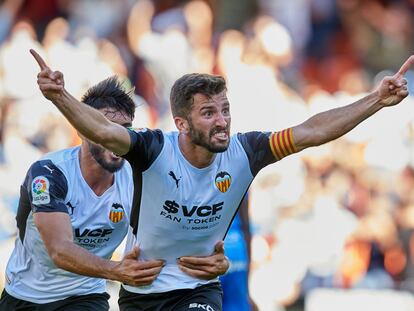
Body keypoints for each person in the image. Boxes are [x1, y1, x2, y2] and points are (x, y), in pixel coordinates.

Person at [30, 48, 413, 311]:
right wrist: (59, 96)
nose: (222, 121)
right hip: (141, 293)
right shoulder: (152, 149)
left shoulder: (248, 151)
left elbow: (312, 131)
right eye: (209, 113)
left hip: (199, 289)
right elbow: (103, 130)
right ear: (181, 123)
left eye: (225, 110)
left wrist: (375, 100)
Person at [0, 76, 229, 311]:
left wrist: (215, 260)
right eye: (106, 128)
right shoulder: (49, 173)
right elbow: (59, 250)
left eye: (125, 130)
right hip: (24, 297)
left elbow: (181, 225)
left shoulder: (137, 176)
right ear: (84, 130)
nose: (115, 139)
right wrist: (116, 270)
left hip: (84, 296)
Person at [220, 196, 258, 311]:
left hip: (212, 250)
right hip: (238, 249)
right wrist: (247, 290)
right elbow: (246, 225)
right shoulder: (240, 177)